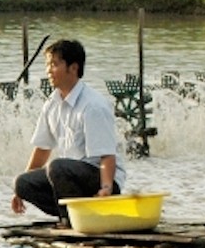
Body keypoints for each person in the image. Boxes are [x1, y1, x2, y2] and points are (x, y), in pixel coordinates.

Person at [11, 39, 126, 226]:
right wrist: (19, 192)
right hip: (69, 180)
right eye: (47, 64)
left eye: (54, 64)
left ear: (73, 68)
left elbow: (107, 156)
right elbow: (42, 149)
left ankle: (71, 220)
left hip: (101, 178)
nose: (48, 70)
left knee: (57, 167)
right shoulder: (52, 103)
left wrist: (106, 188)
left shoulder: (93, 106)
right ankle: (78, 216)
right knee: (22, 182)